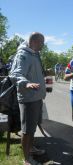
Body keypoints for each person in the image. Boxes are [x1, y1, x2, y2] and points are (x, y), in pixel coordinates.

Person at [10, 32, 46, 165]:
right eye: (42, 42)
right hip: (28, 98)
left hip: (36, 97)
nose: (43, 45)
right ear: (35, 41)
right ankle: (26, 160)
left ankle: (31, 148)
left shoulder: (33, 54)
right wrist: (26, 83)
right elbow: (15, 74)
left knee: (32, 128)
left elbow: (33, 72)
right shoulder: (23, 55)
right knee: (26, 130)